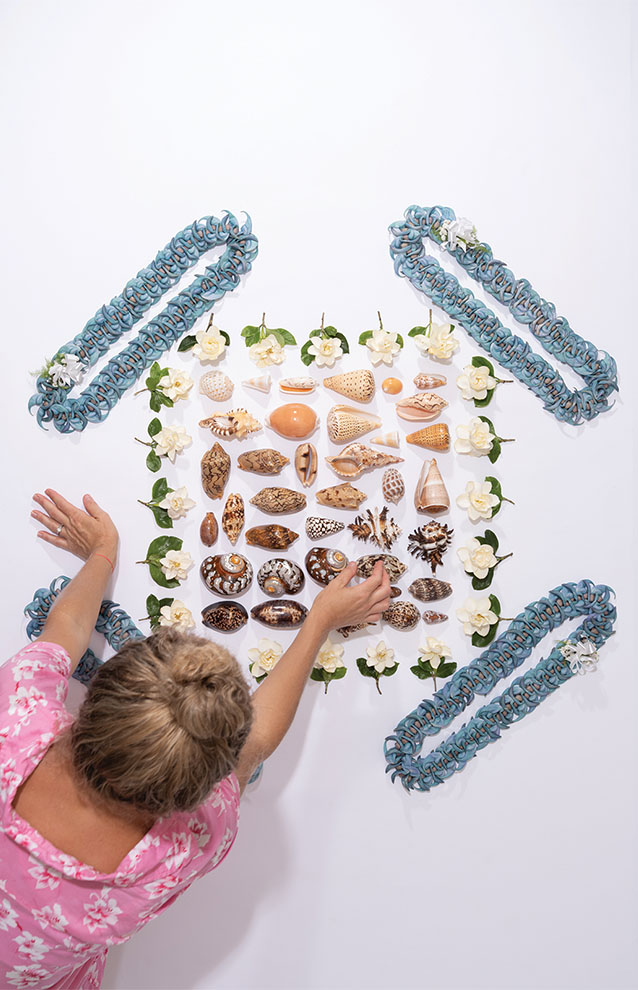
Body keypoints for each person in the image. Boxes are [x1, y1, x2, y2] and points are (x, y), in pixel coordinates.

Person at [0, 489, 390, 989]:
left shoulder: (18, 716)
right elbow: (259, 742)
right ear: (200, 788)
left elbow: (68, 625)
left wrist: (101, 553)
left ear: (95, 697)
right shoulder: (184, 845)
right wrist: (319, 623)